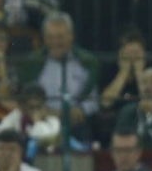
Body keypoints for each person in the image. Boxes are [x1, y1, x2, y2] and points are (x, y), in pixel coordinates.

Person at [17, 12, 99, 143]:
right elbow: (24, 97)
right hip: (41, 121)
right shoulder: (32, 63)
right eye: (51, 37)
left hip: (76, 123)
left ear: (71, 36)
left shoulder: (87, 62)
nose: (55, 42)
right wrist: (45, 111)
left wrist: (81, 110)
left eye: (60, 37)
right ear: (44, 38)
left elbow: (94, 100)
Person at [0, 82, 61, 153]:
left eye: (38, 107)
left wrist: (37, 122)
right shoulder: (17, 115)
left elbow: (41, 140)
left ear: (44, 106)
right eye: (31, 107)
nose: (34, 112)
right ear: (23, 106)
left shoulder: (53, 122)